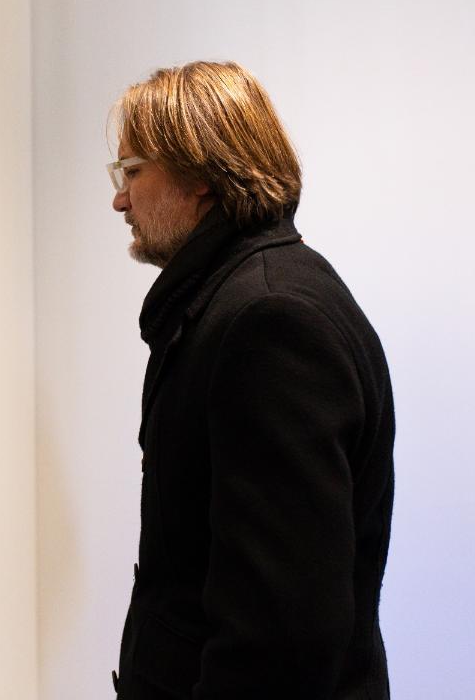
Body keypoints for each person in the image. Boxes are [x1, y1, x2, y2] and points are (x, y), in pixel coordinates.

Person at [107, 62, 394, 699]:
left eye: (132, 171)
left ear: (198, 173)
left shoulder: (268, 320)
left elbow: (280, 636)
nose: (120, 200)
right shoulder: (252, 299)